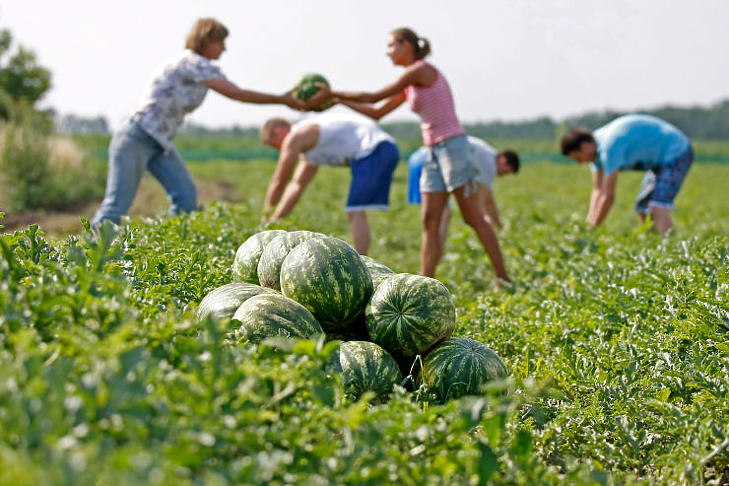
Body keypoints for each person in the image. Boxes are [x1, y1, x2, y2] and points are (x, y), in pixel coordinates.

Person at [309, 27, 510, 289]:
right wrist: (336, 101)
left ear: (406, 45)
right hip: (432, 151)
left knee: (473, 217)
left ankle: (503, 278)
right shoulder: (410, 83)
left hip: (454, 148)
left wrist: (333, 93)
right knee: (429, 220)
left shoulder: (420, 70)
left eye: (391, 45)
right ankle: (426, 283)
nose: (388, 51)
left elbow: (374, 96)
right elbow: (377, 111)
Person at [91, 17, 304, 227]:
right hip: (137, 136)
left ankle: (173, 249)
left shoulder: (202, 69)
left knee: (185, 196)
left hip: (160, 142)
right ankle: (91, 254)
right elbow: (236, 93)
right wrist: (281, 99)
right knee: (118, 204)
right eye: (220, 43)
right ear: (204, 40)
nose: (224, 49)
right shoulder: (192, 63)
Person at [260, 112, 399, 254]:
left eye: (276, 146)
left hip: (375, 149)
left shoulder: (297, 135)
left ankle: (360, 263)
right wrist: (275, 219)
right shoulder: (309, 150)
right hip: (377, 151)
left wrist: (266, 216)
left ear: (279, 132)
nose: (279, 151)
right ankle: (360, 261)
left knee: (355, 209)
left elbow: (280, 180)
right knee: (355, 209)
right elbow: (297, 185)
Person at [560, 114, 693, 234]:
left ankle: (669, 246)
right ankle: (652, 244)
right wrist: (588, 223)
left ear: (584, 146)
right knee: (642, 207)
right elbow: (597, 191)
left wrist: (592, 231)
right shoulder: (594, 153)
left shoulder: (609, 148)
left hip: (677, 151)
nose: (579, 163)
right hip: (659, 160)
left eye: (577, 158)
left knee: (657, 205)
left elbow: (608, 196)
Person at [408, 137, 519, 265]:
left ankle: (434, 259)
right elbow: (486, 200)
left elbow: (486, 199)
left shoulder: (485, 152)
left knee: (442, 215)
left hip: (420, 157)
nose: (502, 176)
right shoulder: (489, 163)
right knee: (439, 217)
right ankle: (433, 261)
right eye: (506, 172)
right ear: (503, 160)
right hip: (429, 160)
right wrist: (494, 226)